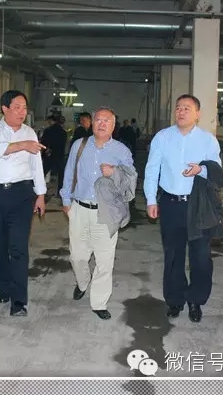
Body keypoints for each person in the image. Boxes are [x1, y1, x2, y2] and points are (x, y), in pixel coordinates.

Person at [143, 94, 223, 323]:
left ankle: (196, 300)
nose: (181, 112)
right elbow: (152, 169)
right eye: (178, 108)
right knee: (173, 256)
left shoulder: (208, 140)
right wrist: (151, 199)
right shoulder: (162, 137)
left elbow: (217, 171)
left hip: (198, 205)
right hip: (171, 204)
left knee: (201, 257)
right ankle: (175, 300)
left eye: (187, 108)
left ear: (198, 114)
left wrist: (201, 170)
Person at [60, 107, 135, 320]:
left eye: (106, 121)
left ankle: (99, 302)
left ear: (113, 125)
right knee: (77, 256)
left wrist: (114, 172)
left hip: (106, 211)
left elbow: (131, 180)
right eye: (98, 120)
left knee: (104, 260)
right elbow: (69, 172)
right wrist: (66, 200)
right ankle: (83, 282)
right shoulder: (79, 145)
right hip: (79, 208)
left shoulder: (121, 151)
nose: (102, 124)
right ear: (92, 123)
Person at [0, 90, 47, 317]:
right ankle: (4, 288)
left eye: (24, 108)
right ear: (5, 109)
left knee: (18, 248)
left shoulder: (30, 133)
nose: (22, 112)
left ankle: (19, 301)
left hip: (22, 195)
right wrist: (24, 144)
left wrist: (41, 195)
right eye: (17, 107)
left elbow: (36, 166)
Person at [40, 115, 68, 195]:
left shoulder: (48, 130)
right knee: (61, 176)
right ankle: (60, 193)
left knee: (42, 174)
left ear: (52, 121)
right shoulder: (63, 132)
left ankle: (39, 191)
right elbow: (63, 144)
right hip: (59, 156)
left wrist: (45, 151)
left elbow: (43, 142)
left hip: (49, 155)